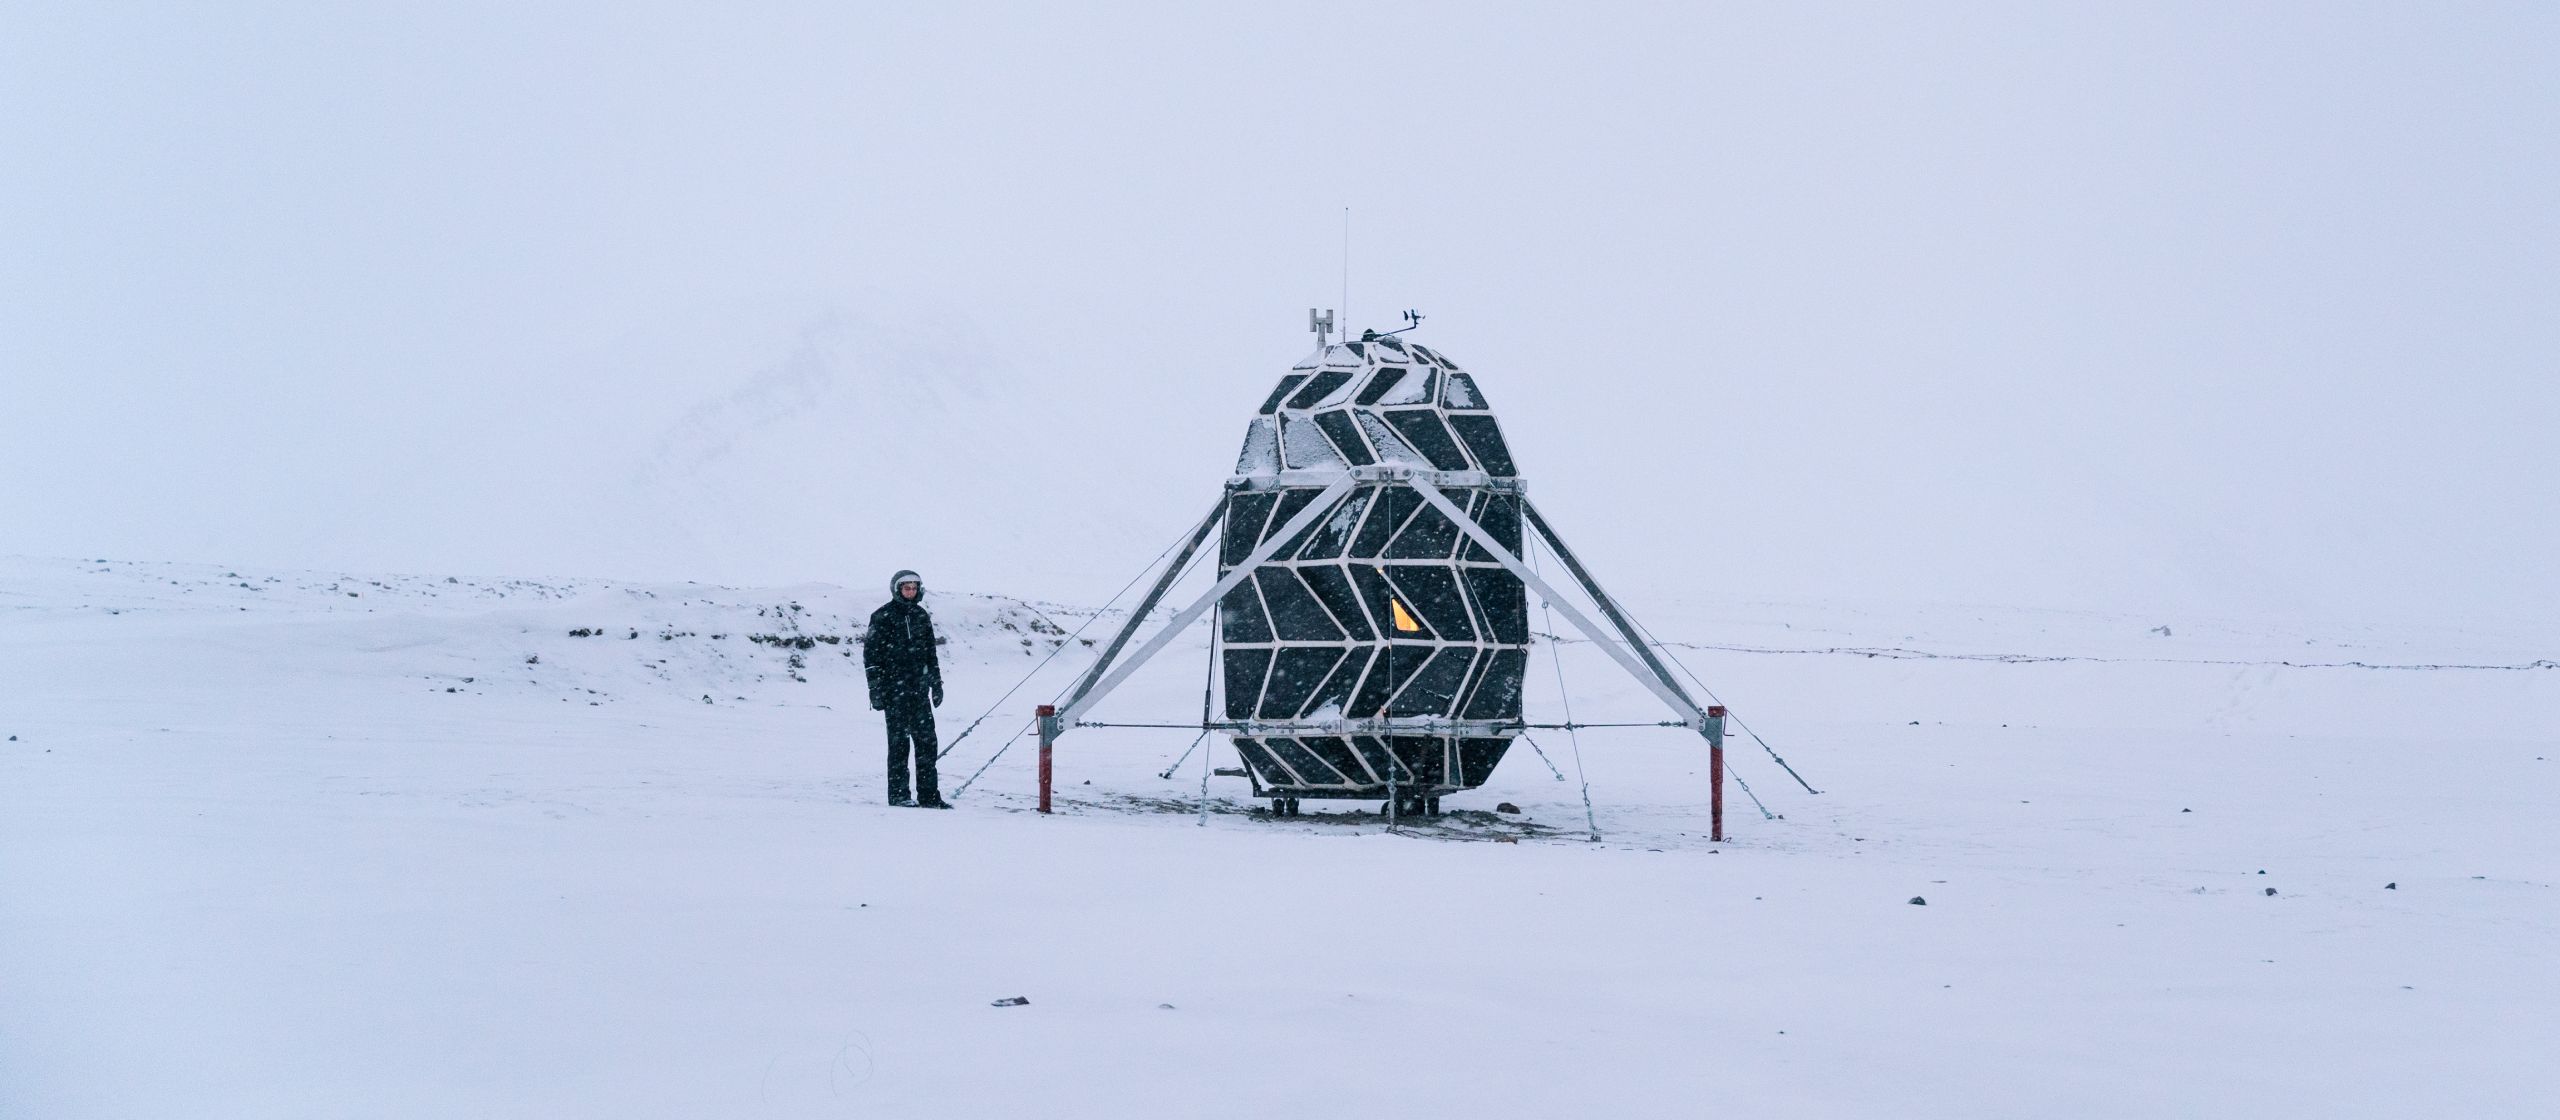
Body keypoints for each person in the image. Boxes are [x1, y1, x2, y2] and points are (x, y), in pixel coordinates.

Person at [863, 569, 947, 808]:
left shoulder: (921, 616)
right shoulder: (882, 616)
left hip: (919, 692)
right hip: (894, 692)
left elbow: (931, 655)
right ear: (897, 590)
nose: (910, 592)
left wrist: (936, 684)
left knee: (927, 744)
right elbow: (871, 656)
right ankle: (899, 796)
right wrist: (875, 689)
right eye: (906, 588)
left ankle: (929, 796)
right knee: (899, 745)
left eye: (913, 588)